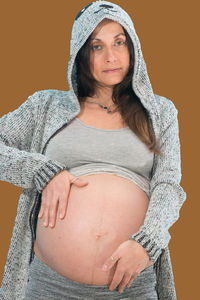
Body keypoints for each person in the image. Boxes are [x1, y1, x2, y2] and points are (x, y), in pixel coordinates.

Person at [0, 1, 187, 299]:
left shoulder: (160, 112)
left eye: (119, 42)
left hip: (133, 285)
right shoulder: (45, 106)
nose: (111, 56)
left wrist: (147, 242)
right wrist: (42, 171)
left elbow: (168, 185)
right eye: (97, 46)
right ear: (80, 53)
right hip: (50, 285)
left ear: (133, 47)